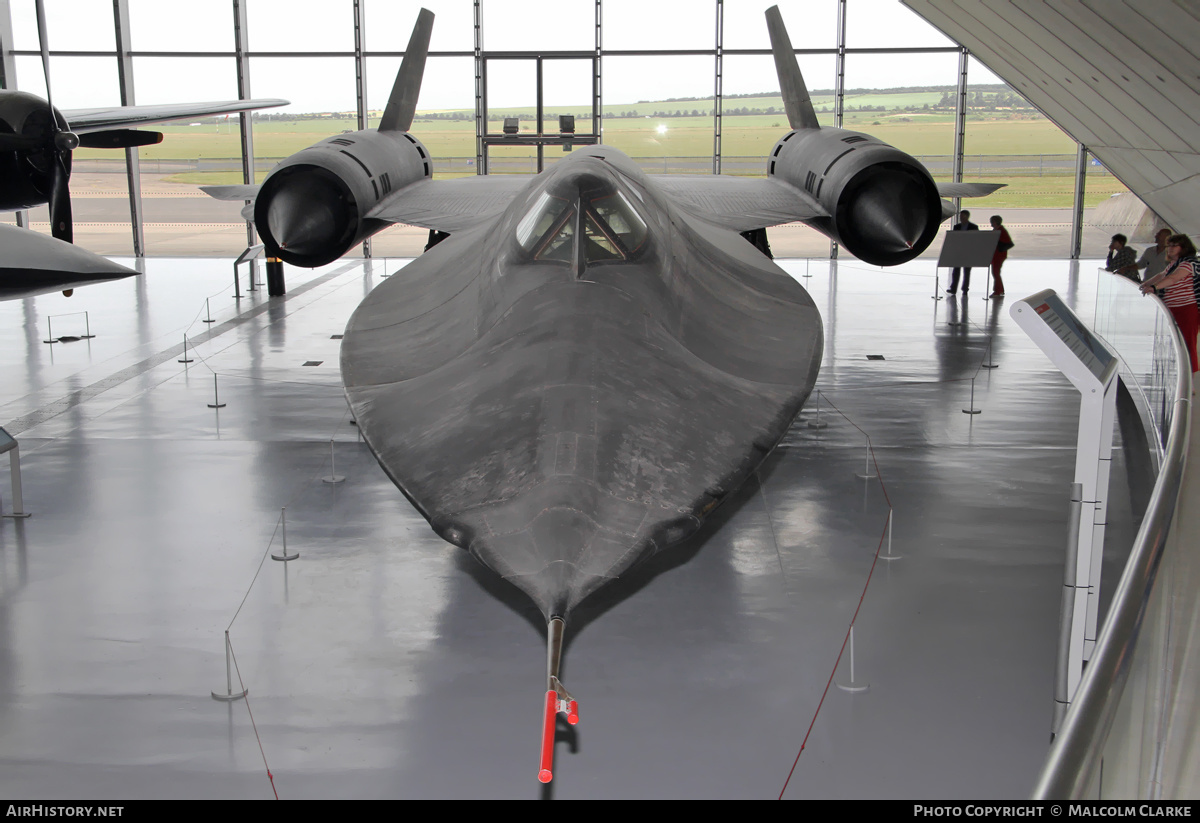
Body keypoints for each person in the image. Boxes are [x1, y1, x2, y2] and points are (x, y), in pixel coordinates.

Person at [1140, 234, 1199, 372]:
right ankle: (1181, 372)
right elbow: (1162, 275)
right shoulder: (1174, 264)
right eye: (1169, 246)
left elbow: (1173, 278)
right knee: (1178, 344)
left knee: (1187, 344)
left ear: (1183, 248)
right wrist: (1144, 284)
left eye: (1174, 246)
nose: (1170, 249)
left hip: (1186, 309)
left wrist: (1154, 288)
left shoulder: (1188, 264)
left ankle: (1190, 380)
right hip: (1173, 308)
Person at [947, 210, 978, 295]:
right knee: (956, 271)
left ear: (967, 217)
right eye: (960, 216)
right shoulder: (956, 227)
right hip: (958, 252)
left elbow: (976, 240)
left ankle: (965, 289)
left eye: (962, 216)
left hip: (968, 252)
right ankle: (953, 288)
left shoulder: (973, 227)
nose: (961, 218)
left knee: (966, 272)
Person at [988, 215, 1012, 297]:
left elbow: (1004, 242)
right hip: (996, 255)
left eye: (992, 222)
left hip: (999, 255)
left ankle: (998, 290)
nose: (991, 224)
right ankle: (999, 290)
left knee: (995, 273)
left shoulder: (1001, 231)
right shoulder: (998, 230)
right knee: (995, 273)